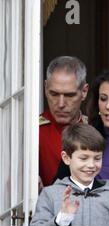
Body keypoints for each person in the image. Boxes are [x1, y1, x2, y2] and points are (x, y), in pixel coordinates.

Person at [39, 56, 89, 188]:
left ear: (84, 92)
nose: (61, 104)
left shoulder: (95, 128)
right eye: (54, 94)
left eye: (69, 95)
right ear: (45, 88)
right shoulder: (31, 131)